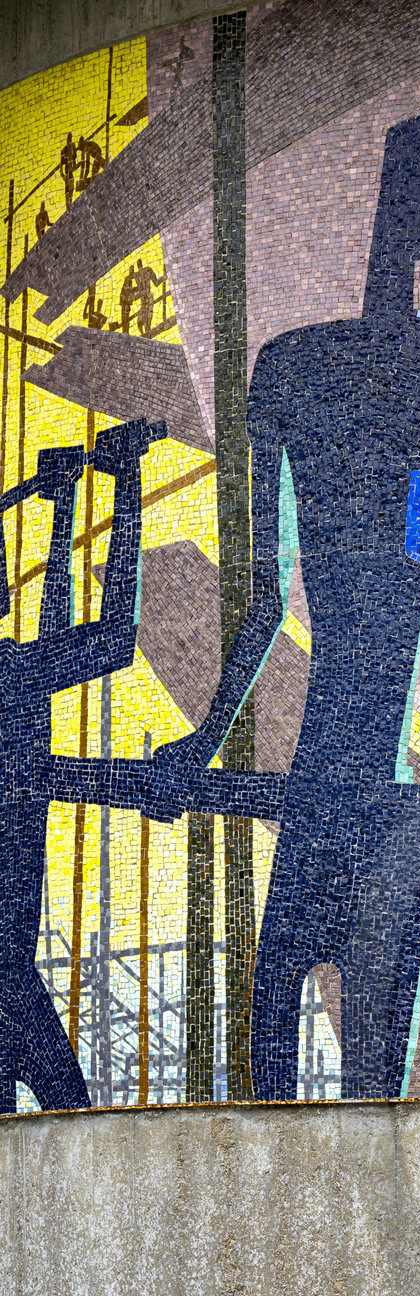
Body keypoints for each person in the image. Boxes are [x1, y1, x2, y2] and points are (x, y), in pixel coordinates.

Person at [141, 113, 420, 1100]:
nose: (415, 201)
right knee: (289, 1095)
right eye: (415, 179)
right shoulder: (301, 366)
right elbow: (262, 592)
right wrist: (204, 740)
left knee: (355, 1099)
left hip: (367, 804)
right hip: (337, 801)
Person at [0, 418, 164, 1112]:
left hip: (12, 971)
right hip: (9, 975)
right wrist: (122, 486)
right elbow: (111, 639)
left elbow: (71, 638)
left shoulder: (18, 671)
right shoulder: (16, 672)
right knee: (73, 1120)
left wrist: (70, 504)